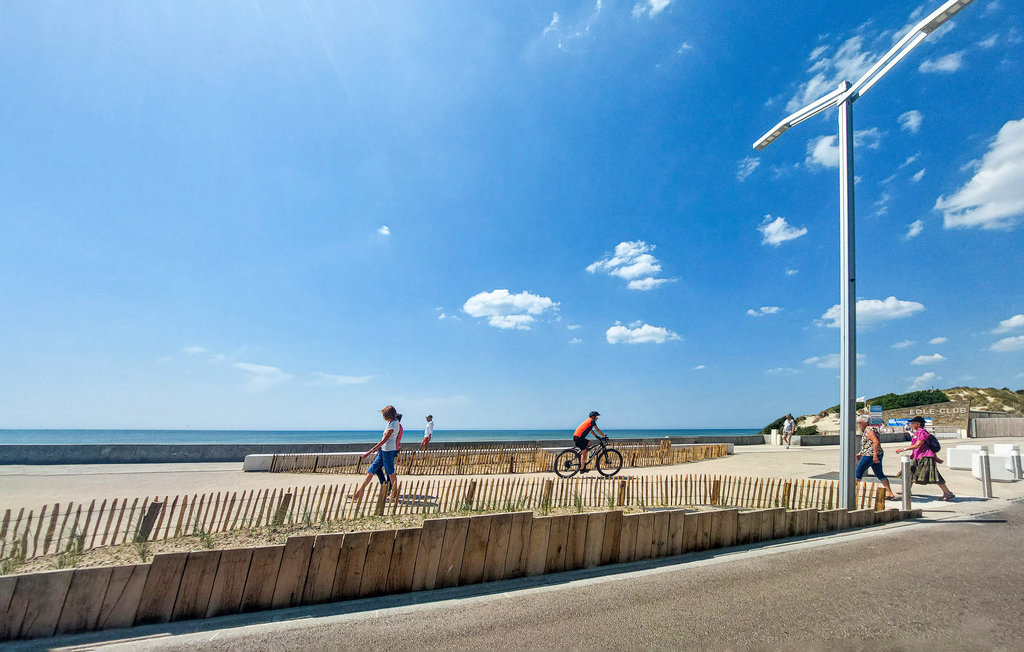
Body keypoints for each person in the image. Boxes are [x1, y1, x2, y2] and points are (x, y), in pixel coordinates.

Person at [896, 416, 955, 501]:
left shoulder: (922, 432)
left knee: (934, 476)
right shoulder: (917, 433)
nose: (911, 425)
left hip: (925, 457)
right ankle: (906, 490)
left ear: (918, 424)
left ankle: (948, 493)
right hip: (918, 457)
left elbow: (918, 445)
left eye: (913, 423)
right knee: (910, 472)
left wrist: (903, 449)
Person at [352, 405, 401, 501]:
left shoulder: (394, 424)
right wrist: (377, 451)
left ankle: (394, 494)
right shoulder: (390, 423)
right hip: (383, 450)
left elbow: (385, 440)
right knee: (371, 470)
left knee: (390, 473)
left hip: (388, 450)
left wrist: (370, 451)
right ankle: (359, 493)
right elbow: (383, 440)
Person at [855, 415, 898, 500]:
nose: (858, 425)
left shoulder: (868, 430)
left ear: (866, 423)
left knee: (858, 472)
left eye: (860, 423)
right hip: (874, 453)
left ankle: (851, 491)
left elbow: (875, 441)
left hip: (870, 455)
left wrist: (874, 455)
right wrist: (861, 453)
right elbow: (869, 444)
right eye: (858, 423)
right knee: (879, 473)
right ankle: (890, 493)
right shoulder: (872, 429)